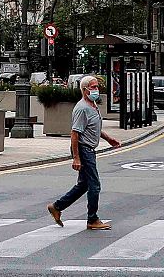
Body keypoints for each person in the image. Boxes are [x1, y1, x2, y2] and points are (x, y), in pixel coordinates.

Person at [47, 75, 121, 231]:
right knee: (94, 186)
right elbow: (75, 133)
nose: (96, 90)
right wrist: (76, 158)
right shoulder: (82, 108)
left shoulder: (93, 105)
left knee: (83, 185)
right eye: (93, 87)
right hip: (84, 149)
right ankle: (92, 219)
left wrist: (109, 139)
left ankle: (57, 207)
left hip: (88, 149)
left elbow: (94, 128)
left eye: (97, 87)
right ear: (84, 89)